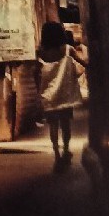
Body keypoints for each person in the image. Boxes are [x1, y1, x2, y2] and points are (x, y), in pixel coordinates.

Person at [36, 21, 84, 171]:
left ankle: (57, 156)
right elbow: (84, 63)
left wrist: (39, 92)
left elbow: (36, 73)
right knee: (65, 125)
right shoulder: (68, 49)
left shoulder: (40, 53)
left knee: (53, 126)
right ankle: (66, 150)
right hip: (64, 94)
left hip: (49, 95)